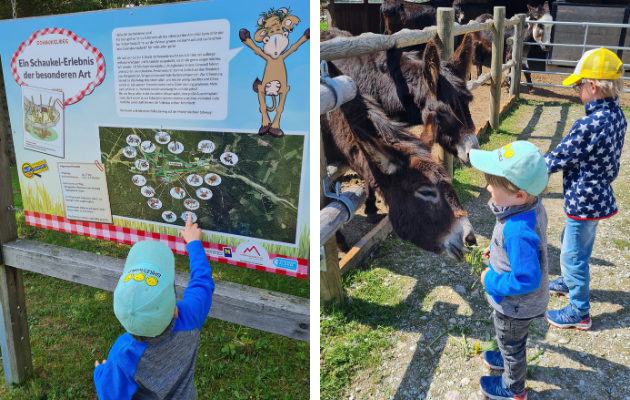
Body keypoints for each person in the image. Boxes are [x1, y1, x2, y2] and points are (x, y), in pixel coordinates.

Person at [544, 47, 627, 331]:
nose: (577, 90)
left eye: (579, 85)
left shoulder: (589, 124)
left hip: (582, 199)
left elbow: (560, 157)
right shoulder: (618, 116)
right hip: (599, 197)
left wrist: (532, 168)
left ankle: (579, 312)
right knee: (576, 244)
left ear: (593, 86)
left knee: (572, 255)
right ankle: (568, 283)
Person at [93, 214, 214, 399]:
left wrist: (100, 372)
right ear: (174, 310)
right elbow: (202, 282)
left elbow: (110, 395)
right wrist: (193, 243)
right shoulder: (189, 318)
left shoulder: (123, 353)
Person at [469, 141, 549, 400]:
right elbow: (525, 251)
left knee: (512, 343)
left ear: (519, 194)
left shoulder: (516, 230)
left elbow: (527, 278)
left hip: (515, 307)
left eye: (494, 185)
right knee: (511, 341)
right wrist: (497, 252)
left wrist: (490, 279)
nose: (488, 188)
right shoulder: (530, 207)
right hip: (519, 306)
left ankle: (513, 388)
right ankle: (505, 356)